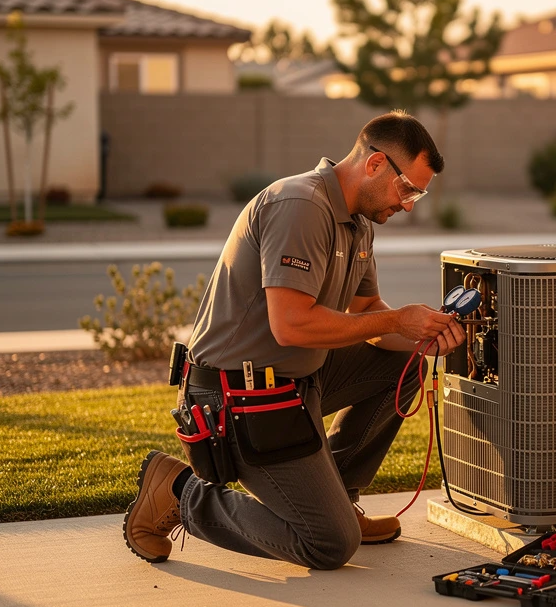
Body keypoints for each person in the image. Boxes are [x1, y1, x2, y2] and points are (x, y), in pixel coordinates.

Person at [123, 111, 465, 569]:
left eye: (417, 195)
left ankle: (339, 500)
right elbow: (291, 325)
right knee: (328, 545)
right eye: (408, 190)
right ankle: (176, 491)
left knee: (402, 369)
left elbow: (366, 314)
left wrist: (428, 336)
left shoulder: (359, 223)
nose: (408, 205)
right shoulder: (300, 205)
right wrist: (400, 320)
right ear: (376, 163)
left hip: (297, 379)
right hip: (234, 395)